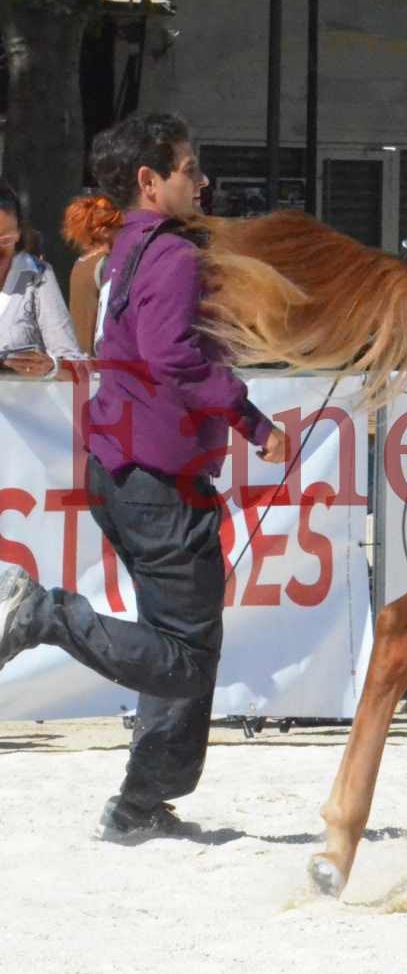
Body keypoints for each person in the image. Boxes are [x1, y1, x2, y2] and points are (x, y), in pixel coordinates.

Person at [0, 112, 287, 841]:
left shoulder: (124, 251)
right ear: (149, 181)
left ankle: (142, 803)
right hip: (157, 475)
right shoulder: (170, 258)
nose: (203, 179)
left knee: (184, 642)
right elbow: (173, 361)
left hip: (127, 469)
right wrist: (253, 419)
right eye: (190, 168)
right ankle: (43, 615)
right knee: (186, 658)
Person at [0, 180, 87, 376]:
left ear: (18, 234)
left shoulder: (35, 276)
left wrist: (52, 367)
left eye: (4, 240)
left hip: (22, 402)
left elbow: (73, 361)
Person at [63, 192, 126, 355]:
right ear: (105, 230)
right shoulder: (107, 264)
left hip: (79, 359)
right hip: (98, 363)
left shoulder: (80, 263)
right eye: (120, 228)